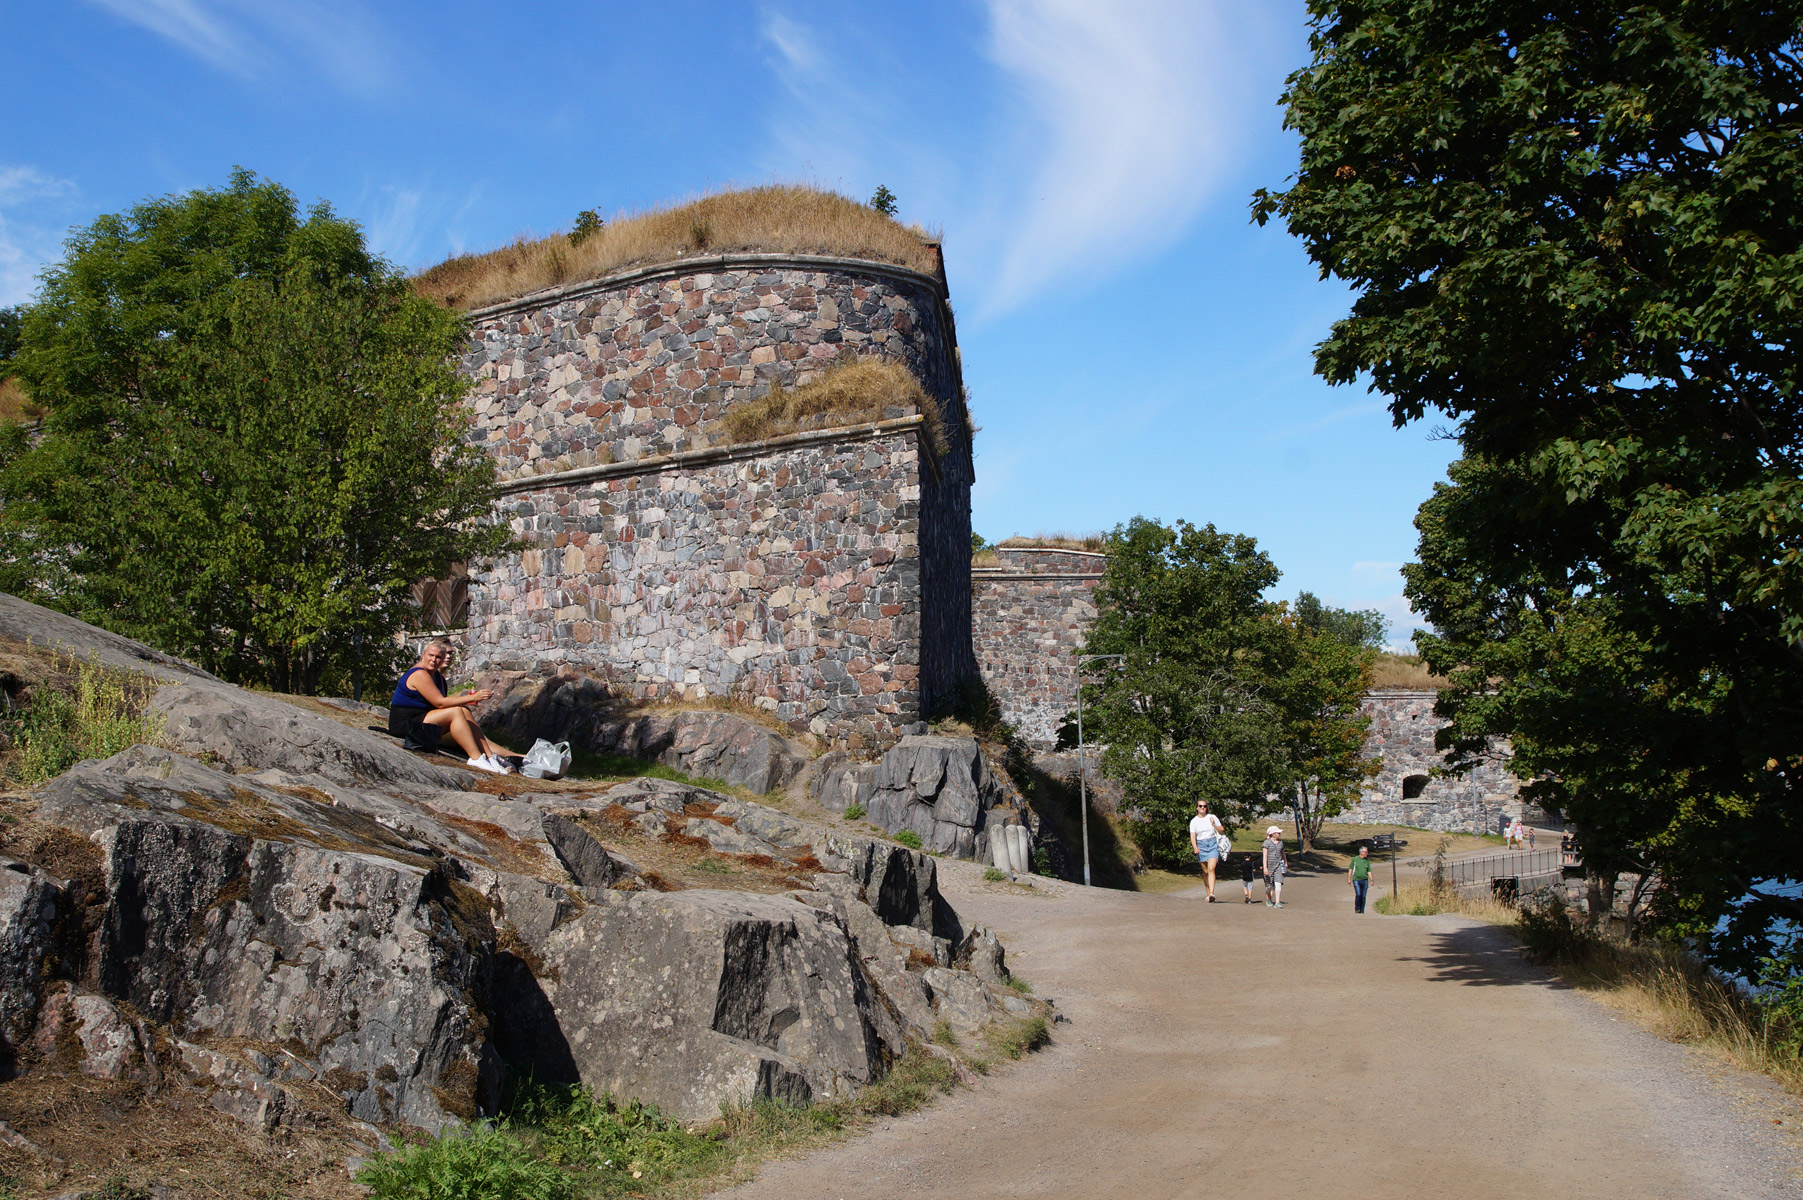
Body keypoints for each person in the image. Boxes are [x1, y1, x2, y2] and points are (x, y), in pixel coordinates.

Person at [388, 638, 513, 774]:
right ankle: (475, 758)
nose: (433, 660)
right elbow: (440, 702)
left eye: (438, 657)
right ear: (423, 655)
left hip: (421, 719)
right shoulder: (419, 674)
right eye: (431, 655)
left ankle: (489, 756)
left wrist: (467, 701)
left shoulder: (436, 675)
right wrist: (472, 697)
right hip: (406, 723)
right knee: (455, 712)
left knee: (464, 710)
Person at [1189, 800, 1226, 903]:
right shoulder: (1194, 821)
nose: (1202, 808)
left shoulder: (1212, 817)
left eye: (1204, 806)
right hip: (1201, 845)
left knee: (1211, 869)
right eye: (1200, 806)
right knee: (1205, 872)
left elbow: (1222, 830)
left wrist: (1214, 824)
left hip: (1212, 844)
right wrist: (1195, 847)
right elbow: (1193, 836)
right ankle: (1208, 893)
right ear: (1197, 808)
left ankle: (1212, 894)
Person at [1262, 825, 1287, 908]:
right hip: (1269, 866)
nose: (1279, 834)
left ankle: (1277, 902)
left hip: (1278, 865)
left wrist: (1285, 862)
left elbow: (1283, 853)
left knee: (1278, 883)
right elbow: (1265, 855)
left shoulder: (1281, 843)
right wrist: (1265, 868)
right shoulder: (1267, 843)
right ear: (1272, 834)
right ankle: (1268, 898)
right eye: (1277, 832)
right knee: (1269, 886)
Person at [1348, 844, 1372, 913]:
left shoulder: (1367, 861)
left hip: (1364, 880)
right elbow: (1351, 869)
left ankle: (1362, 910)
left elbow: (1369, 871)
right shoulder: (1355, 859)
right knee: (1358, 894)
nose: (1366, 854)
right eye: (1365, 852)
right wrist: (1349, 879)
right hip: (1356, 879)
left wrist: (1371, 880)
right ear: (1361, 852)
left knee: (1363, 896)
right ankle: (1357, 908)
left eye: (1367, 852)